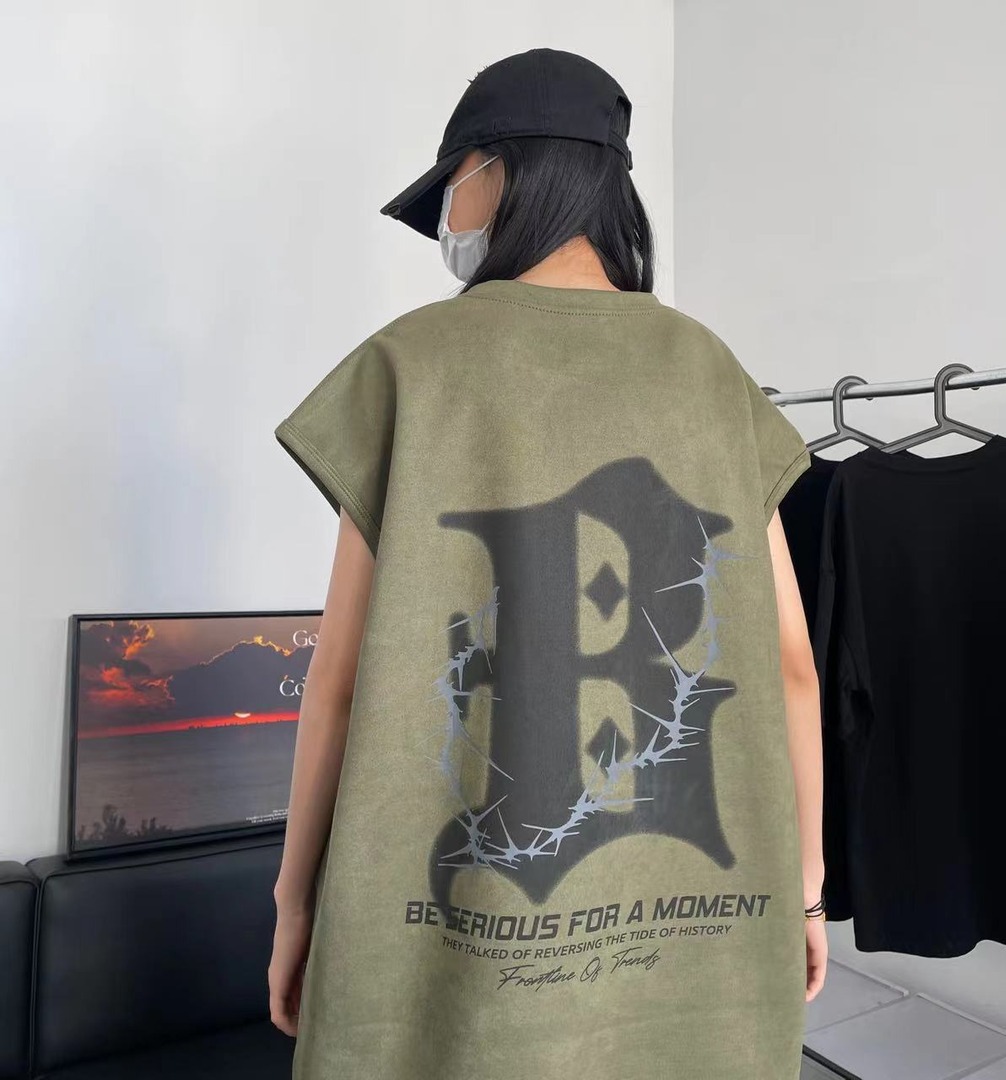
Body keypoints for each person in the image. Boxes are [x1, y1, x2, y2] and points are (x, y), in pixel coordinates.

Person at [268, 46, 827, 1080]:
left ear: (497, 171)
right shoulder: (713, 373)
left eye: (452, 185)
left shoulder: (407, 366)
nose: (449, 216)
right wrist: (804, 891)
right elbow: (792, 665)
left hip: (441, 961)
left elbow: (337, 682)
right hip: (700, 953)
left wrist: (294, 900)